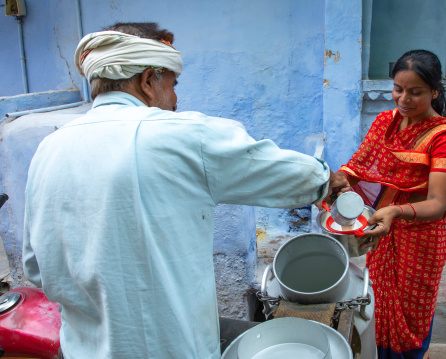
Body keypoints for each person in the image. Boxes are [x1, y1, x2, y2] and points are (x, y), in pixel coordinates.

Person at [22, 22, 345, 359]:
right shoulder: (179, 135)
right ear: (148, 81)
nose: (175, 100)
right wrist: (328, 181)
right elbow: (286, 171)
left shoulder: (48, 150)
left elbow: (35, 267)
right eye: (173, 85)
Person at [336, 50, 446, 358]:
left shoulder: (444, 138)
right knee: (378, 307)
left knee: (410, 318)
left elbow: (437, 202)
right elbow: (358, 164)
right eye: (398, 89)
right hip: (381, 233)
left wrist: (396, 211)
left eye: (416, 92)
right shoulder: (386, 122)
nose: (404, 99)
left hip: (419, 239)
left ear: (436, 91)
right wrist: (338, 180)